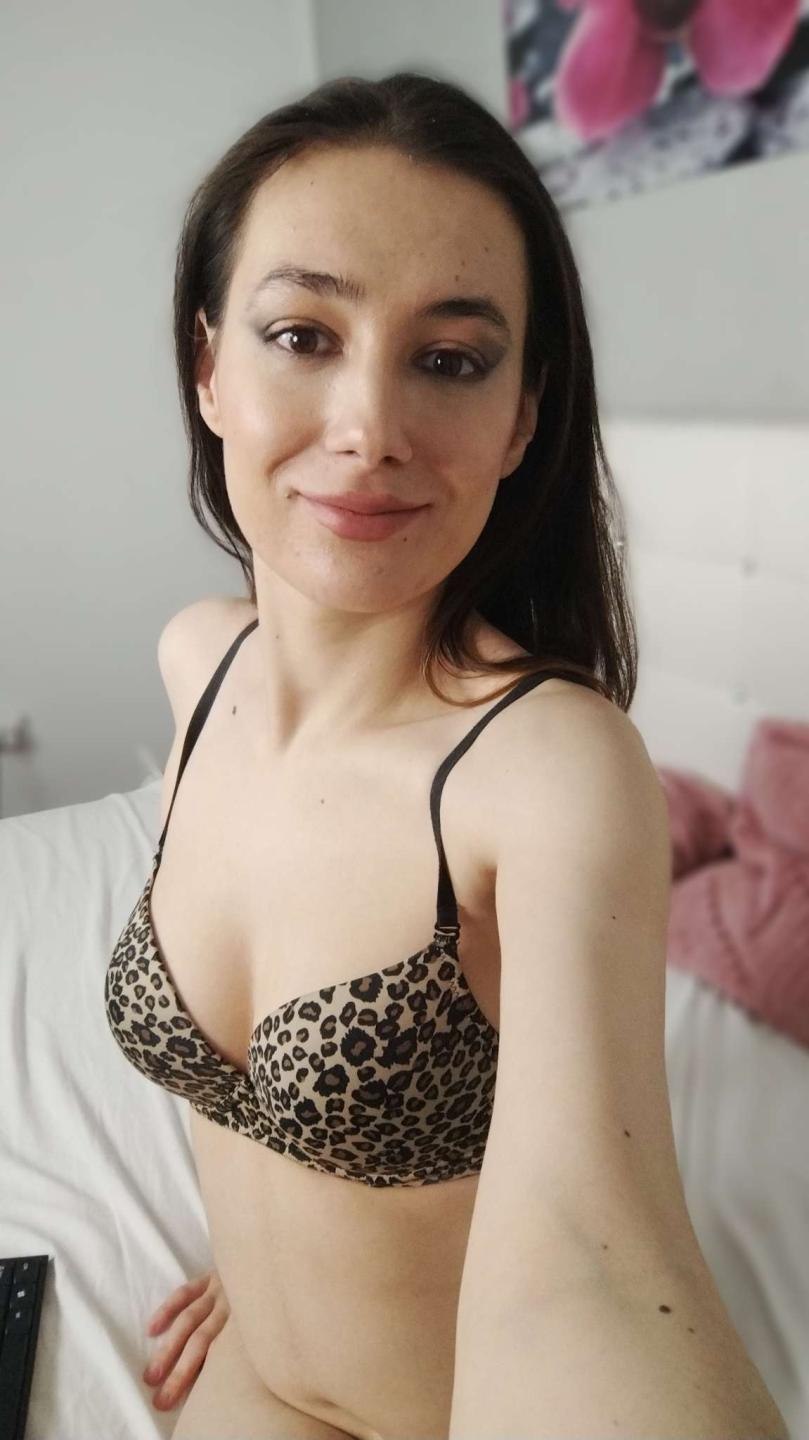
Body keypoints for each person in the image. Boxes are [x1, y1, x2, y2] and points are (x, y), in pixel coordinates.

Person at [104, 70, 788, 1440]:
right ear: (209, 368)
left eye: (451, 360)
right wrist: (267, 1258)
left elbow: (595, 1255)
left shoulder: (545, 768)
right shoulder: (197, 662)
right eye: (302, 334)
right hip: (249, 1376)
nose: (370, 428)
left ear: (522, 416)